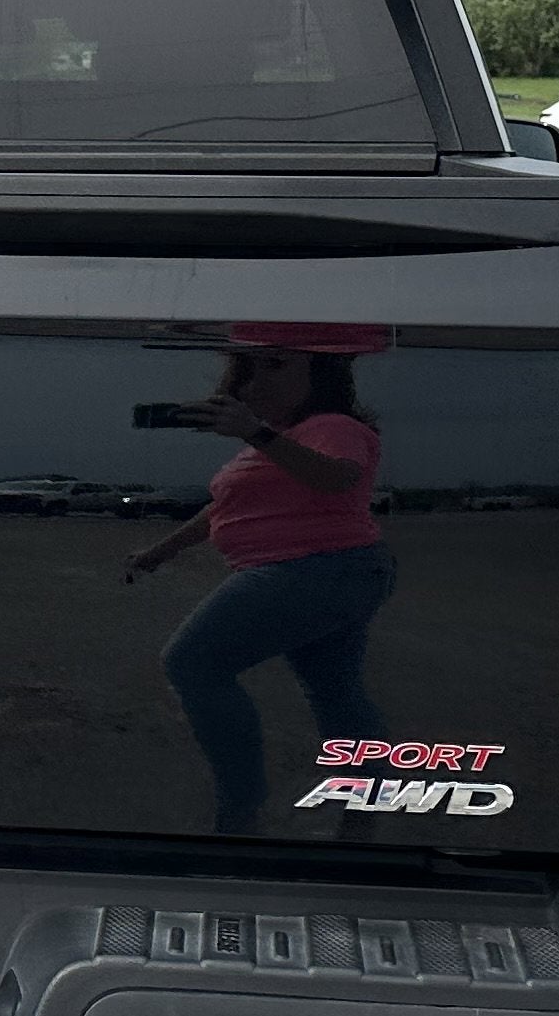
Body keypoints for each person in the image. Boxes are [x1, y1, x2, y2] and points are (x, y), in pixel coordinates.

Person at [125, 329, 394, 828]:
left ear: (321, 374)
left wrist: (256, 433)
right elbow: (222, 510)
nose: (255, 379)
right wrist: (160, 552)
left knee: (193, 662)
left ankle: (240, 809)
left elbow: (336, 478)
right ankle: (365, 809)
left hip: (317, 567)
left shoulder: (334, 426)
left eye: (276, 366)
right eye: (248, 369)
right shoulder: (275, 442)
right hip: (323, 571)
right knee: (335, 691)